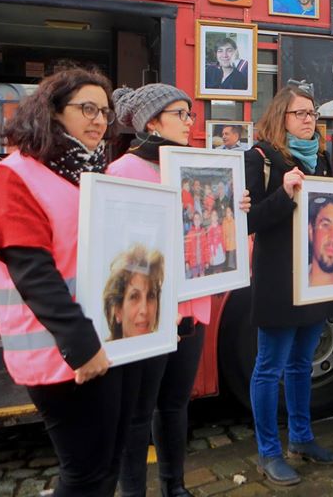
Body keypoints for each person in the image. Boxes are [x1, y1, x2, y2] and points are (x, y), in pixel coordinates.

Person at [0, 68, 132, 495]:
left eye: (105, 111)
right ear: (51, 111)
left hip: (105, 342)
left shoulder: (89, 174)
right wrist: (81, 346)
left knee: (108, 464)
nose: (99, 120)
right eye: (87, 109)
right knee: (85, 474)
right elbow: (33, 273)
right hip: (63, 353)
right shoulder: (13, 176)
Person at [108, 83, 250, 497]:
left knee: (175, 403)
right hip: (148, 311)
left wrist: (235, 211)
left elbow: (218, 239)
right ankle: (133, 491)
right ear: (152, 122)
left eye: (191, 114)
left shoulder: (195, 165)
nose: (190, 122)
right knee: (137, 412)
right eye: (181, 114)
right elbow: (117, 249)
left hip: (191, 306)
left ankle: (175, 486)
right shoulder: (125, 170)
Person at [244, 86, 333, 486]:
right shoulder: (260, 157)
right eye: (300, 113)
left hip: (314, 278)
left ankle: (301, 438)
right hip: (277, 279)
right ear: (280, 117)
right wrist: (285, 194)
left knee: (302, 362)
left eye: (312, 113)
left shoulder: (321, 158)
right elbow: (250, 221)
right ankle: (268, 451)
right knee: (270, 367)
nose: (308, 120)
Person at [102, 244, 162, 341]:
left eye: (151, 296)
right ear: (118, 310)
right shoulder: (101, 351)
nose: (144, 310)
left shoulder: (167, 346)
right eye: (134, 297)